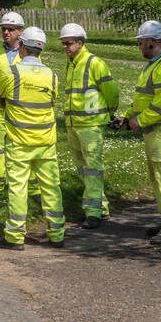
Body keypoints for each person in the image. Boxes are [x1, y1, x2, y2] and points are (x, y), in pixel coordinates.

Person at [117, 20, 161, 246]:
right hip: (158, 132)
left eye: (140, 42)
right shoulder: (154, 64)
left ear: (150, 42)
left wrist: (141, 120)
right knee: (159, 178)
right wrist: (127, 117)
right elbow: (143, 99)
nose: (139, 47)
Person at [0, 26, 64, 250]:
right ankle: (57, 233)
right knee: (51, 186)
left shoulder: (10, 73)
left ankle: (14, 237)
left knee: (18, 187)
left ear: (22, 46)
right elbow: (52, 101)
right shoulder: (52, 76)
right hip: (46, 141)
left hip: (19, 141)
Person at [59, 23, 118, 229]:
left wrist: (111, 112)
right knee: (84, 169)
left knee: (92, 168)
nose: (65, 47)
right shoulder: (71, 63)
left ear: (80, 43)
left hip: (91, 125)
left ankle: (93, 212)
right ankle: (100, 207)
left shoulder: (95, 63)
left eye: (69, 43)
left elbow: (111, 91)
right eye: (63, 43)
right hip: (74, 124)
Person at [0, 11, 25, 203]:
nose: (6, 32)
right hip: (0, 109)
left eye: (10, 29)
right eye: (3, 29)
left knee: (22, 149)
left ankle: (28, 188)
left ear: (20, 31)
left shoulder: (28, 50)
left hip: (20, 109)